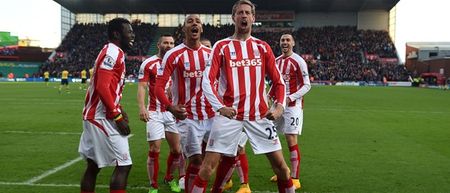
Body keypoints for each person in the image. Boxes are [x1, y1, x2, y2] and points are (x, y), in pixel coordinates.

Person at [192, 1, 295, 193]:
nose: (244, 16)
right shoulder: (221, 47)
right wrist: (219, 107)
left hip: (260, 116)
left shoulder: (262, 47)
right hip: (228, 117)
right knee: (207, 168)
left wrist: (280, 105)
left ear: (253, 18)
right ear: (234, 18)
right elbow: (207, 81)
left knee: (281, 167)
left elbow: (279, 82)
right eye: (240, 13)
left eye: (248, 13)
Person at [154, 14, 215, 193]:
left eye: (198, 22)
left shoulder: (211, 55)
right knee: (195, 160)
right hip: (187, 117)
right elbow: (158, 86)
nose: (194, 24)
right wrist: (170, 107)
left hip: (212, 116)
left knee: (209, 161)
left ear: (201, 29)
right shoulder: (173, 54)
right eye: (190, 22)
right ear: (184, 29)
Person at [78, 17, 135, 193]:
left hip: (96, 115)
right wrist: (117, 116)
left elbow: (108, 87)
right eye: (129, 31)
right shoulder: (113, 52)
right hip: (101, 118)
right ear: (117, 34)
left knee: (94, 166)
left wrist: (120, 108)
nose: (133, 35)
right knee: (124, 164)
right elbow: (102, 86)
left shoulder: (112, 51)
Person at [201, 38, 251, 193]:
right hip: (208, 118)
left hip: (233, 115)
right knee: (210, 153)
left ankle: (244, 185)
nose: (207, 51)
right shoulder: (204, 74)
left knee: (237, 149)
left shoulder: (228, 69)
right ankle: (226, 181)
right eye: (205, 48)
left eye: (209, 47)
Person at [137, 34, 183, 193]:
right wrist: (142, 107)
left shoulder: (178, 61)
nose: (169, 45)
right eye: (166, 43)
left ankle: (169, 177)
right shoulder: (148, 63)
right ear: (159, 44)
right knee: (155, 149)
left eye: (171, 43)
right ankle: (153, 186)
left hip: (173, 112)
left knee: (177, 150)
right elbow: (142, 86)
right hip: (154, 112)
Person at [269, 33, 311, 190]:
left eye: (288, 40)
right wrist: (268, 96)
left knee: (290, 139)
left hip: (293, 106)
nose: (285, 42)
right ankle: (282, 171)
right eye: (282, 40)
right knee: (272, 138)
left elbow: (307, 85)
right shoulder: (277, 61)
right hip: (277, 104)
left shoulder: (299, 61)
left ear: (293, 43)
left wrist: (290, 97)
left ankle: (295, 177)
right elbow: (275, 82)